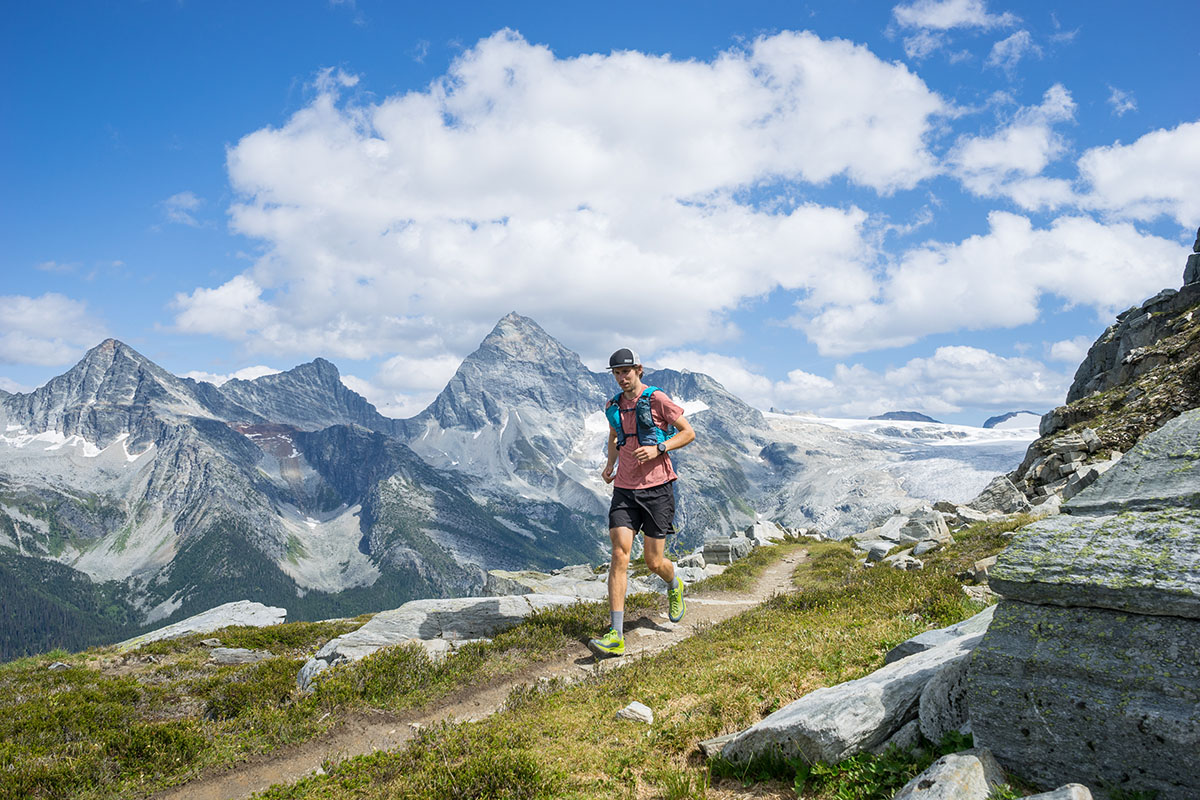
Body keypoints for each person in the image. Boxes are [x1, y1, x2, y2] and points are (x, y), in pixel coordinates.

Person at [588, 348, 696, 659]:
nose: (622, 378)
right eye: (617, 373)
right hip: (624, 490)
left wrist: (659, 447)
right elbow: (613, 436)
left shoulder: (657, 399)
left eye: (627, 372)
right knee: (620, 553)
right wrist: (610, 466)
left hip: (657, 489)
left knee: (653, 562)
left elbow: (688, 433)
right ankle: (616, 634)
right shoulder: (613, 406)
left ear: (638, 370)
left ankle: (674, 583)